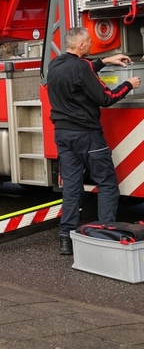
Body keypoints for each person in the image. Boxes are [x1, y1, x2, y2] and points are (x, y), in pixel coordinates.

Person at [47, 26, 140, 255]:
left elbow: (80, 74)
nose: (91, 45)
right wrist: (129, 85)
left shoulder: (55, 64)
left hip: (63, 135)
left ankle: (65, 240)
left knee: (71, 188)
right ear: (80, 46)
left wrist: (106, 60)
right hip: (87, 136)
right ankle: (105, 236)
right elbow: (106, 98)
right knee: (107, 185)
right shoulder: (83, 66)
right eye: (88, 42)